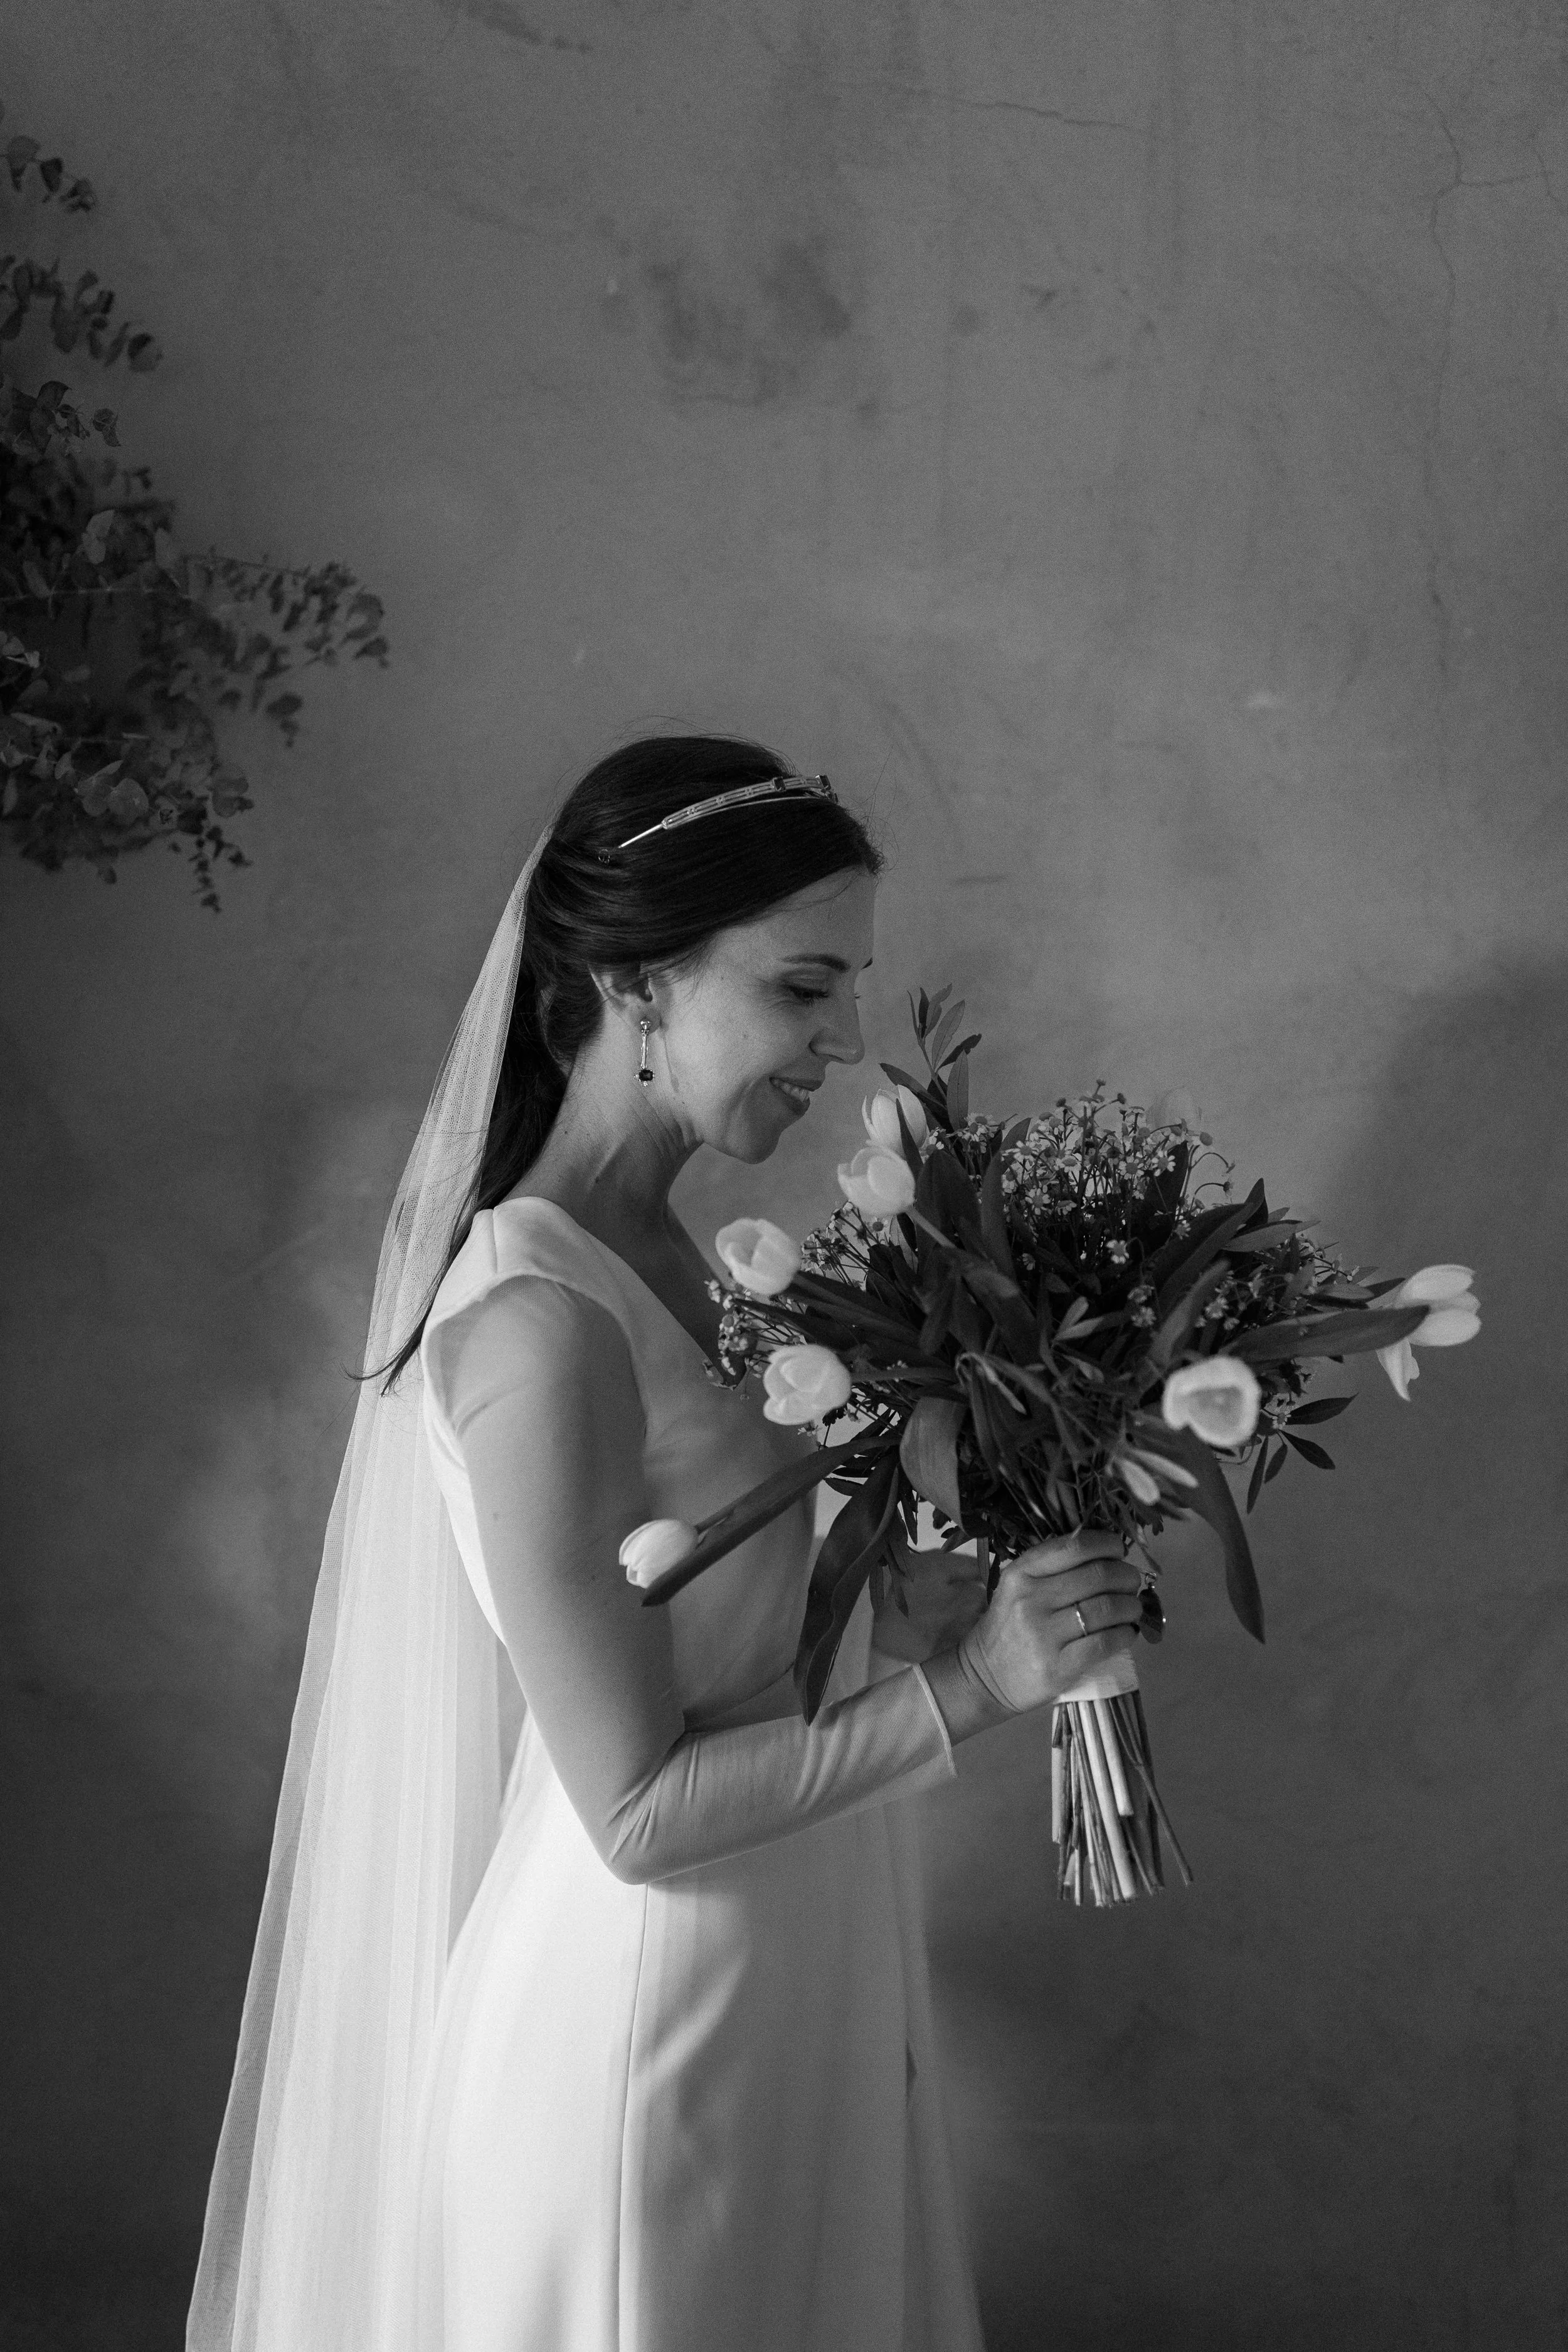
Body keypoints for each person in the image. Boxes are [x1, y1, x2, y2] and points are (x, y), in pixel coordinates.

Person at [187, 736, 1145, 2352]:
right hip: (647, 2038)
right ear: (637, 985)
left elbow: (773, 1637)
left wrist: (1018, 1554)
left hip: (797, 1984)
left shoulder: (697, 1268)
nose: (843, 1044)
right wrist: (976, 1689)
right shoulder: (536, 1320)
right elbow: (633, 1809)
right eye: (800, 989)